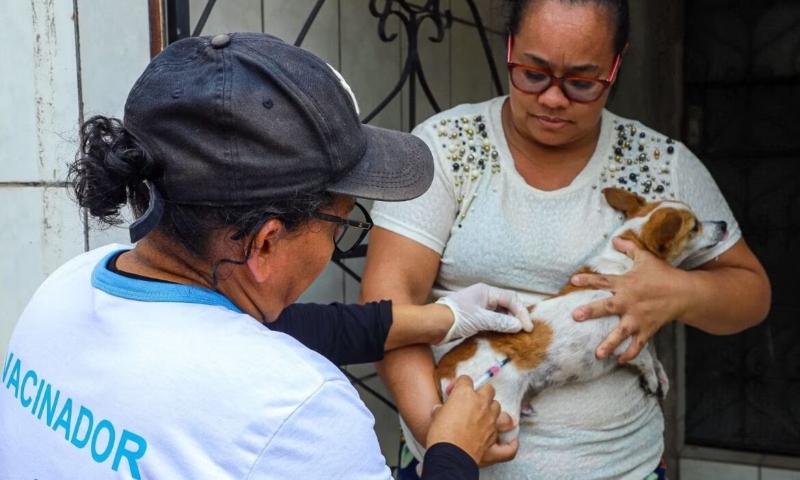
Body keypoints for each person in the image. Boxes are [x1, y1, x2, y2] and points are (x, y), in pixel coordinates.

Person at [0, 32, 535, 479]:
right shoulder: (298, 404)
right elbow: (261, 364)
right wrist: (453, 453)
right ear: (265, 242)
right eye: (342, 224)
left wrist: (445, 317)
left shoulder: (67, 286)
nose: (338, 242)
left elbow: (270, 331)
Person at [360, 0, 772, 478]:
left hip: (622, 468)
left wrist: (682, 292)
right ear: (510, 47)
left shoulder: (661, 164)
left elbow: (752, 294)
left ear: (617, 65)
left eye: (581, 82)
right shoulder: (446, 148)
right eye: (532, 73)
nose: (553, 99)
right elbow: (388, 305)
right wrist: (437, 431)